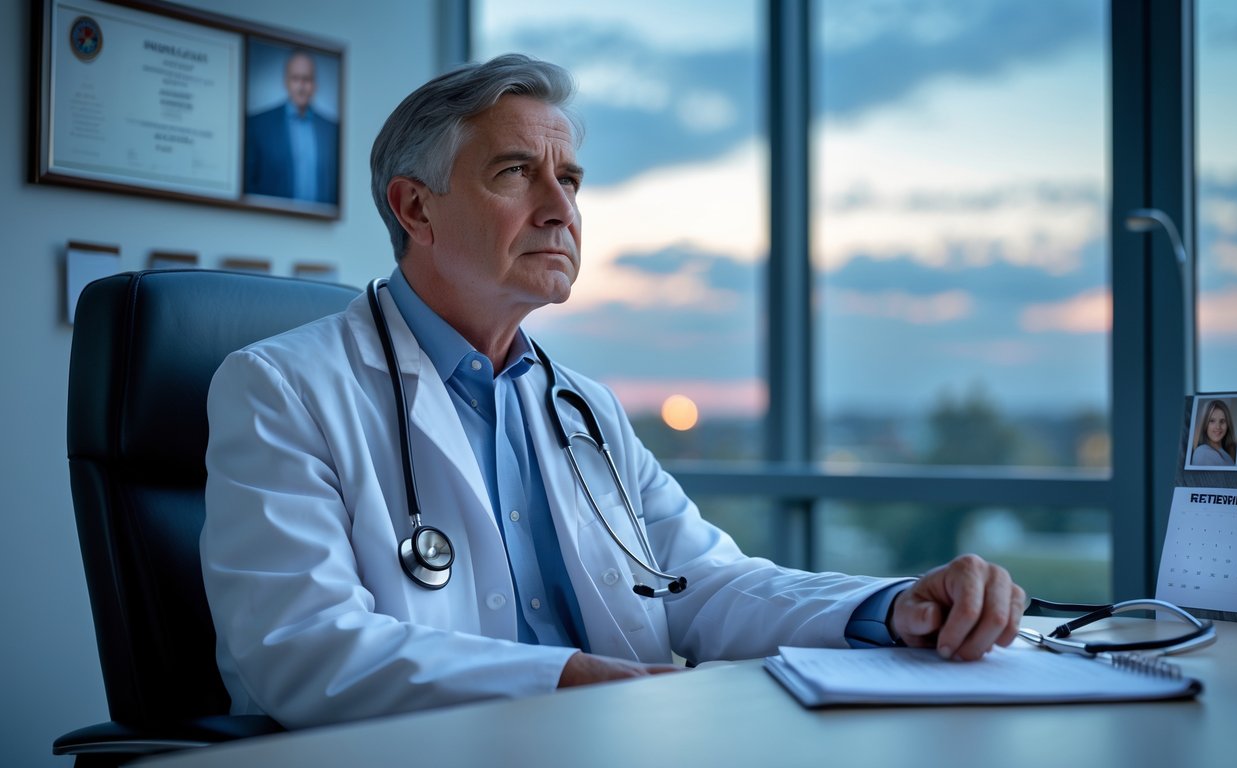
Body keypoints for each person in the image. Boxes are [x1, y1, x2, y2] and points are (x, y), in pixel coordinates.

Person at [201, 54, 1026, 730]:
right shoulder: (283, 388)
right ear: (415, 208)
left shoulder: (580, 407)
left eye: (571, 179)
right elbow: (302, 647)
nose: (561, 209)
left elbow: (701, 584)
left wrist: (888, 606)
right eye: (517, 173)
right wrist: (565, 681)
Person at [244, 49, 339, 204]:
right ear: (285, 81)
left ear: (314, 84)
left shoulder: (332, 130)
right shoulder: (258, 125)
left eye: (306, 79)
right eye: (295, 79)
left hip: (320, 225)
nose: (301, 86)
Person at [1191, 399, 1237, 467]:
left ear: (1228, 425)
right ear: (1205, 424)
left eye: (1222, 421)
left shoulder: (1227, 454)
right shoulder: (1202, 453)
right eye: (1212, 421)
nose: (1218, 427)